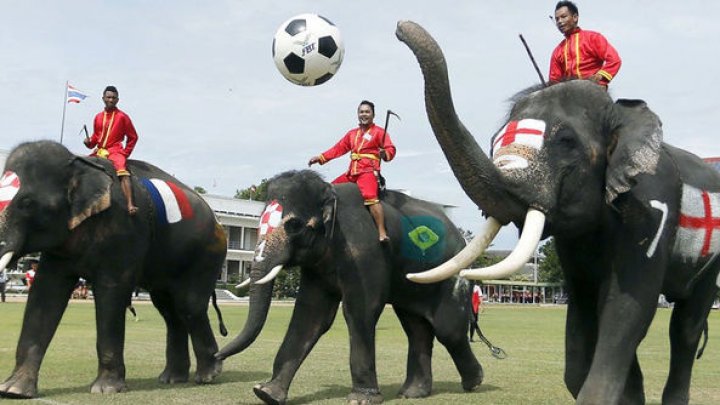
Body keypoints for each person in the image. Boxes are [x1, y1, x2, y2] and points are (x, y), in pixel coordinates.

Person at [308, 100, 396, 242]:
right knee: (329, 189)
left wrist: (384, 154)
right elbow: (338, 148)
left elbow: (390, 149)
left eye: (367, 112)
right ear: (358, 114)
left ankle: (382, 232)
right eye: (361, 112)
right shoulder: (352, 134)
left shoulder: (379, 132)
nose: (364, 114)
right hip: (352, 172)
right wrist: (321, 157)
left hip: (368, 171)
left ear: (373, 115)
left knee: (370, 197)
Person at [84, 85, 139, 215]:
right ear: (103, 98)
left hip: (115, 151)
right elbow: (96, 137)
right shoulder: (98, 117)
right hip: (99, 151)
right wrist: (89, 142)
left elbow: (133, 137)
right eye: (108, 97)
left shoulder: (123, 117)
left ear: (117, 100)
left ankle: (130, 204)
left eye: (114, 98)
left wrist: (125, 153)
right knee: (82, 165)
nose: (111, 100)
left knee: (122, 172)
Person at [549, 1, 621, 89]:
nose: (559, 21)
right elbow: (554, 81)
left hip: (594, 90)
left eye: (563, 17)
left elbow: (614, 60)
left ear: (575, 17)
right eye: (557, 19)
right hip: (571, 93)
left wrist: (600, 76)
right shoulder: (557, 51)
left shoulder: (593, 38)